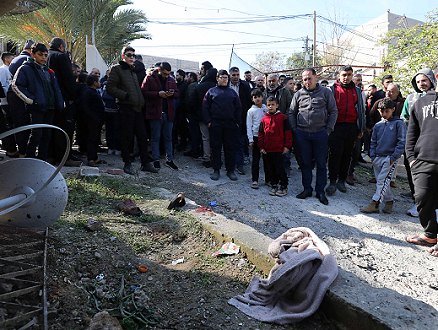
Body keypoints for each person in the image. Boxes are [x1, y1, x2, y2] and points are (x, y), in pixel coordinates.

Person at [289, 68, 338, 205]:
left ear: (316, 77)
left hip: (320, 134)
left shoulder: (326, 92)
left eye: (310, 78)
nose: (307, 81)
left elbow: (333, 111)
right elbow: (292, 112)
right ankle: (307, 189)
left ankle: (320, 191)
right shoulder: (298, 94)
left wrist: (328, 130)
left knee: (321, 164)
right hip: (302, 134)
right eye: (305, 79)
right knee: (305, 163)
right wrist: (295, 129)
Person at [106, 46, 157, 174]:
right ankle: (127, 163)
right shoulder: (117, 69)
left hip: (137, 108)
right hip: (126, 107)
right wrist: (126, 96)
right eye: (129, 55)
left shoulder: (132, 71)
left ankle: (145, 163)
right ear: (123, 56)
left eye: (133, 55)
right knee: (127, 137)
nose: (132, 57)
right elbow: (110, 88)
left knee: (142, 136)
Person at [11, 43, 64, 161]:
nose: (44, 58)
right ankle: (29, 160)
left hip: (50, 108)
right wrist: (31, 100)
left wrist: (60, 103)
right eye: (40, 55)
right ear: (33, 54)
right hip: (36, 108)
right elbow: (16, 86)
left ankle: (42, 161)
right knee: (36, 135)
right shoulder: (25, 68)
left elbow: (56, 89)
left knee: (46, 135)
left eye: (45, 55)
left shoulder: (49, 71)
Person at [405, 79, 438, 256]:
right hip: (423, 161)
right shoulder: (420, 102)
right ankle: (430, 234)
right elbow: (411, 134)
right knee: (423, 198)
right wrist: (411, 159)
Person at [400, 68, 436, 217]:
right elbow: (405, 117)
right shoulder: (411, 99)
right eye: (418, 81)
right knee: (414, 174)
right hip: (415, 143)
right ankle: (418, 203)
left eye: (424, 80)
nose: (421, 84)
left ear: (432, 80)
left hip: (433, 144)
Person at [360, 98, 406, 214]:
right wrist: (373, 157)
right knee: (382, 181)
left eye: (387, 111)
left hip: (389, 158)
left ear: (393, 110)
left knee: (382, 180)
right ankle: (389, 201)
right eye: (381, 111)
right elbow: (373, 141)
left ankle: (375, 203)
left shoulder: (399, 124)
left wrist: (393, 158)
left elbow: (402, 142)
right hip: (377, 158)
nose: (384, 114)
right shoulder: (378, 125)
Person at [326, 65, 365, 195]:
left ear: (352, 75)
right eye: (344, 74)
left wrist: (361, 128)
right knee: (334, 154)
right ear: (339, 76)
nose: (346, 77)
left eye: (349, 74)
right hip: (336, 127)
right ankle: (332, 181)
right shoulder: (332, 90)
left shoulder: (357, 91)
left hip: (351, 127)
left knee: (347, 154)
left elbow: (361, 110)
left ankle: (341, 180)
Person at [202, 69, 241, 181]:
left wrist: (237, 122)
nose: (224, 80)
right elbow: (205, 107)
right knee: (216, 147)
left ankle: (230, 170)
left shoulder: (233, 93)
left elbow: (239, 108)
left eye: (226, 77)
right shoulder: (211, 92)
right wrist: (208, 122)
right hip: (215, 123)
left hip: (230, 124)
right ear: (217, 78)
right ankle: (216, 169)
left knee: (230, 148)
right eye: (222, 77)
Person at [47, 37, 80, 166]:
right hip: (62, 98)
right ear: (61, 47)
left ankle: (50, 156)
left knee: (51, 127)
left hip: (49, 99)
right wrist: (72, 96)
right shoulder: (61, 56)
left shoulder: (46, 55)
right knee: (64, 128)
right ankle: (63, 158)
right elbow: (68, 77)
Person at [142, 61, 180, 170]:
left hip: (168, 112)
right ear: (159, 71)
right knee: (155, 137)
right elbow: (144, 92)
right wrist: (158, 94)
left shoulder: (171, 80)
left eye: (168, 74)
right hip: (155, 113)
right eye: (165, 74)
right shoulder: (149, 78)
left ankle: (170, 159)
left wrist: (171, 94)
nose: (167, 76)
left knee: (168, 137)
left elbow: (178, 94)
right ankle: (156, 159)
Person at [259, 96, 292, 197]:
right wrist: (261, 147)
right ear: (266, 106)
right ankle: (274, 185)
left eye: (273, 104)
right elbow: (261, 134)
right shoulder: (264, 119)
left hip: (279, 149)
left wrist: (287, 146)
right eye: (268, 105)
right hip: (268, 149)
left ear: (277, 105)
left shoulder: (282, 118)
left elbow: (288, 133)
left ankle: (283, 186)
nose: (271, 106)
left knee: (279, 168)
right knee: (270, 168)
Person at [7, 39, 34, 158]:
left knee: (18, 124)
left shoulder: (17, 59)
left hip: (14, 94)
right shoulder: (26, 60)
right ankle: (23, 152)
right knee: (23, 124)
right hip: (20, 94)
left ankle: (22, 151)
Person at [188, 61, 217, 167]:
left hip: (201, 116)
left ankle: (206, 158)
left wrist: (193, 113)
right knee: (216, 138)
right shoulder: (218, 87)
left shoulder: (200, 86)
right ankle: (216, 157)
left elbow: (192, 101)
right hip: (216, 117)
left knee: (205, 137)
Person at [229, 67, 251, 175]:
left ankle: (240, 165)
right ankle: (230, 166)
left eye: (237, 74)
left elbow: (248, 103)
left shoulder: (245, 86)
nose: (236, 77)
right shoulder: (225, 85)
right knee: (229, 143)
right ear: (230, 75)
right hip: (228, 118)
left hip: (241, 118)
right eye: (233, 75)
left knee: (240, 143)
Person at [82, 74, 107, 167]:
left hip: (97, 120)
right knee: (91, 139)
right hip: (92, 121)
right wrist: (93, 117)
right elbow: (85, 107)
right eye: (98, 81)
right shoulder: (88, 92)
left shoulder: (94, 92)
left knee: (95, 139)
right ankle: (91, 159)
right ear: (95, 83)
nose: (100, 83)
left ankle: (95, 158)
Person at [246, 89, 268, 189]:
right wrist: (250, 140)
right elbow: (248, 126)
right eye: (255, 97)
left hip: (267, 137)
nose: (257, 99)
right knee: (256, 160)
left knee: (267, 159)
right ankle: (255, 180)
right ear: (252, 99)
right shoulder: (251, 111)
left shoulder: (266, 109)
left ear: (262, 97)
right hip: (256, 137)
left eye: (259, 96)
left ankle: (268, 179)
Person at [0, 51, 17, 157]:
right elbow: (2, 86)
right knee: (8, 126)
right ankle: (10, 149)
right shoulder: (3, 70)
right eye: (12, 58)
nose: (13, 60)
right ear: (6, 59)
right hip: (5, 103)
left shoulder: (8, 70)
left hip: (8, 102)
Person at [173, 69, 189, 152]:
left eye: (178, 75)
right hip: (175, 110)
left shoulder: (185, 86)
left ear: (182, 76)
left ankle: (183, 144)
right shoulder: (176, 85)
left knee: (182, 128)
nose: (176, 77)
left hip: (182, 110)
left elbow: (184, 98)